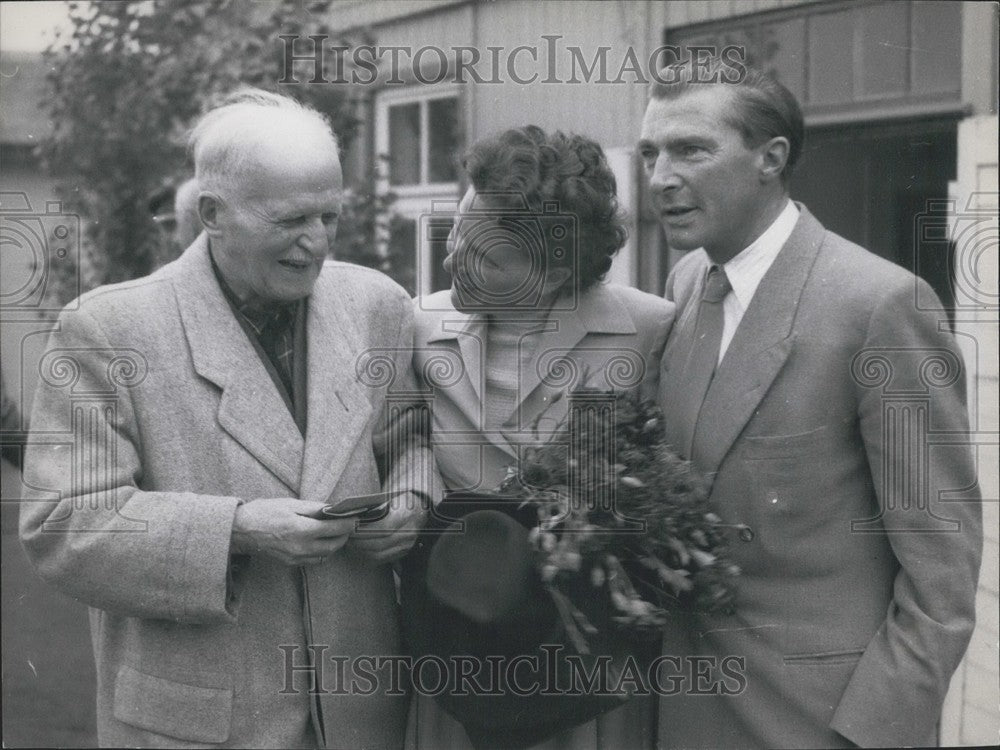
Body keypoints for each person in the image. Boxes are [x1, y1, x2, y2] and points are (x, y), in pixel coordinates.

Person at [20, 88, 430, 749]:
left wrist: (414, 493)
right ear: (212, 212)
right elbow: (62, 525)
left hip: (363, 718)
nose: (318, 243)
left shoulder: (376, 305)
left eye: (331, 216)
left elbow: (412, 435)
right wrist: (235, 529)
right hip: (197, 726)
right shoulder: (107, 330)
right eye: (291, 219)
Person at [640, 57, 982, 748]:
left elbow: (941, 581)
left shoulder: (880, 305)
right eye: (650, 152)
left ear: (771, 158)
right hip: (684, 712)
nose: (659, 178)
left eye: (690, 150)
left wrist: (868, 733)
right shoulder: (685, 282)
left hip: (813, 720)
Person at [405, 126, 675, 750]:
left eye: (487, 258)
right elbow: (401, 443)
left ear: (555, 271)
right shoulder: (420, 324)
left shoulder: (649, 331)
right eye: (457, 237)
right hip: (458, 645)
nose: (453, 262)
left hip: (584, 667)